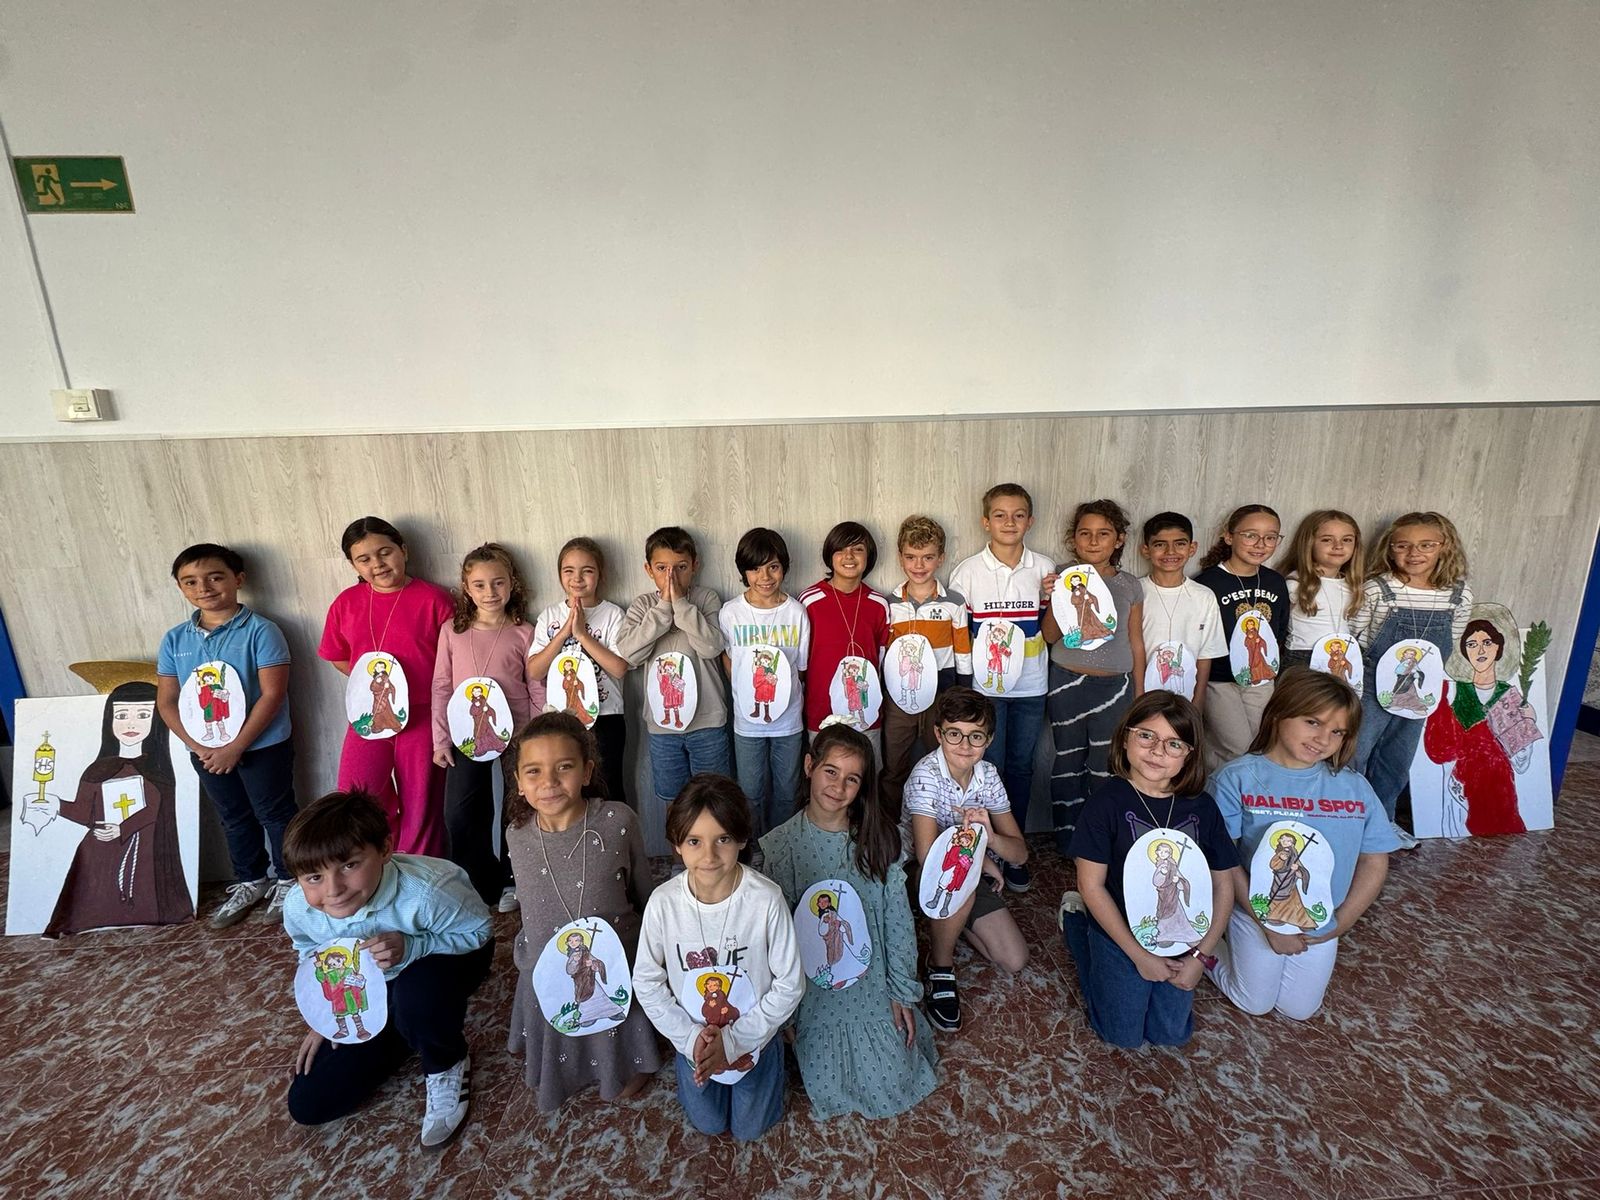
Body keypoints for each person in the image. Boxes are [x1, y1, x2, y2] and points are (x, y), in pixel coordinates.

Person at [282, 790, 494, 1148]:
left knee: (418, 994)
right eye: (314, 877)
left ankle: (446, 1061)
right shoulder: (298, 908)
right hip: (367, 990)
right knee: (308, 1103)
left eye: (349, 865)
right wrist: (327, 1016)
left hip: (445, 961)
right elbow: (309, 951)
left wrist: (414, 945)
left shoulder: (428, 891)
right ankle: (407, 1030)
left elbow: (480, 931)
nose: (333, 890)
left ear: (384, 848)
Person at [761, 724, 939, 1118]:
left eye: (852, 778)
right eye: (831, 771)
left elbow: (897, 924)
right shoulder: (779, 848)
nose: (838, 786)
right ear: (809, 766)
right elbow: (776, 940)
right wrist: (785, 1012)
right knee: (824, 1081)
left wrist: (901, 992)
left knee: (894, 1074)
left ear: (863, 787)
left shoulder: (877, 842)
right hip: (813, 984)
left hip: (871, 976)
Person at [1206, 671, 1399, 1020]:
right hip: (1253, 908)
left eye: (1337, 731)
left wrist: (1341, 923)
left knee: (1299, 1009)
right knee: (1255, 1001)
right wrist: (1266, 925)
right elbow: (1226, 860)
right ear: (1280, 713)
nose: (1323, 738)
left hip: (1320, 919)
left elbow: (1374, 860)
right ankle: (1208, 950)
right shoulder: (1236, 779)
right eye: (1312, 721)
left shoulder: (1354, 789)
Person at [1058, 692, 1237, 1047]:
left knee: (1171, 1034)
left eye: (1174, 744)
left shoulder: (1202, 807)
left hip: (1181, 937)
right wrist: (1139, 956)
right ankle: (1077, 926)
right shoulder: (1105, 803)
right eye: (1146, 736)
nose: (1157, 751)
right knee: (1122, 1035)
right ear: (1125, 738)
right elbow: (1091, 884)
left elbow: (1223, 886)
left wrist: (1201, 956)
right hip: (1118, 930)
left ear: (1189, 755)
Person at [503, 712, 660, 1110]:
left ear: (587, 771)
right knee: (553, 978)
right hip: (547, 959)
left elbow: (643, 891)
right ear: (519, 783)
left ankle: (629, 1059)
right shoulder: (517, 835)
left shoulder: (618, 821)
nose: (549, 782)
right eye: (534, 772)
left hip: (613, 953)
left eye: (565, 767)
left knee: (608, 991)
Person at [635, 775, 805, 1141]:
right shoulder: (663, 904)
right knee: (709, 1124)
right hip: (693, 1041)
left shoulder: (765, 900)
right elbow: (646, 981)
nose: (709, 856)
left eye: (723, 839)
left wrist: (736, 1041)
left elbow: (790, 983)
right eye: (695, 841)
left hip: (754, 1036)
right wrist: (691, 1039)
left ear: (742, 839)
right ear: (677, 844)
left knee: (751, 1128)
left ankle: (773, 1058)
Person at [156, 542, 299, 927]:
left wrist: (236, 747)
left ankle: (290, 881)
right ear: (181, 588)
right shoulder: (175, 640)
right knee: (232, 816)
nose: (204, 587)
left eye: (215, 577)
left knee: (275, 813)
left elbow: (273, 694)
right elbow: (167, 700)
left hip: (262, 746)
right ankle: (250, 880)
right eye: (190, 582)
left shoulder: (262, 631)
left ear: (238, 579)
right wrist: (200, 746)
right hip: (205, 750)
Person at [319, 517, 455, 855]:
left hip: (424, 715)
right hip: (369, 713)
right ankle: (377, 863)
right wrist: (371, 682)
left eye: (385, 553)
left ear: (403, 550)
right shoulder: (346, 603)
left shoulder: (435, 600)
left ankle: (420, 875)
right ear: (353, 564)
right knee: (357, 792)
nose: (377, 564)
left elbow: (453, 660)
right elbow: (336, 655)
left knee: (422, 800)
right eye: (364, 559)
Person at [901, 687, 1029, 1031]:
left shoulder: (988, 775)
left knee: (1014, 958)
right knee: (960, 881)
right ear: (939, 733)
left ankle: (949, 924)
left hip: (966, 867)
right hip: (919, 871)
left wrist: (988, 835)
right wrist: (983, 861)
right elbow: (930, 857)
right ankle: (939, 965)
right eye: (954, 734)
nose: (965, 746)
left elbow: (1019, 853)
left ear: (989, 740)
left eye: (976, 737)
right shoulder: (926, 775)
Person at [948, 484, 1052, 892]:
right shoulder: (967, 572)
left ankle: (1014, 849)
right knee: (985, 772)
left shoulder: (1045, 569)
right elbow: (962, 634)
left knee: (1021, 769)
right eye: (1000, 514)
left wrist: (1054, 599)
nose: (1010, 522)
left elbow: (1054, 632)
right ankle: (982, 848)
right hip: (984, 692)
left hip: (1030, 687)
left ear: (1031, 520)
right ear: (985, 521)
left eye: (1019, 514)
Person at [1350, 511, 1473, 846]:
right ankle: (1350, 817)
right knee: (1356, 751)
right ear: (1390, 549)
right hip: (1373, 686)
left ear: (1443, 546)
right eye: (1402, 546)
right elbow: (1357, 636)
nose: (1413, 553)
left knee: (1397, 757)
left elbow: (1452, 644)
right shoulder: (1379, 590)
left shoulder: (1458, 596)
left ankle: (1384, 819)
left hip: (1420, 691)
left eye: (1426, 545)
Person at [430, 543, 536, 906]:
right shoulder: (452, 632)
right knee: (460, 810)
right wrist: (440, 740)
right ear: (466, 586)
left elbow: (535, 683)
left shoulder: (524, 630)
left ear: (512, 584)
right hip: (464, 734)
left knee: (517, 807)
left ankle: (513, 880)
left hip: (519, 732)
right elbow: (442, 686)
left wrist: (537, 734)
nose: (490, 593)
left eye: (498, 583)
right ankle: (476, 880)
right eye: (480, 585)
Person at [44, 681, 193, 937]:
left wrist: (122, 828)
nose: (131, 724)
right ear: (109, 720)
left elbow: (154, 810)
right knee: (97, 890)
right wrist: (55, 805)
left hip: (145, 849)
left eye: (143, 715)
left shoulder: (158, 770)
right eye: (122, 715)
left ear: (156, 720)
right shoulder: (97, 769)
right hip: (101, 851)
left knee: (141, 891)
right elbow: (83, 812)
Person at [1042, 500, 1146, 849]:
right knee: (1068, 759)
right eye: (1085, 533)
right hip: (1067, 681)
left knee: (1106, 764)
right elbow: (1051, 636)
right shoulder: (1061, 576)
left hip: (1116, 687)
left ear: (1119, 540)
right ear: (1074, 539)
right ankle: (1067, 840)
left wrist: (1140, 695)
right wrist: (1056, 595)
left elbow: (1135, 640)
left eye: (1103, 534)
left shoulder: (1129, 584)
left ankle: (1100, 839)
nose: (1093, 541)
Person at [615, 527, 730, 839]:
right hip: (664, 727)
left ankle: (718, 860)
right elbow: (630, 654)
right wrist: (663, 609)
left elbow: (711, 647)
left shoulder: (705, 599)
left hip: (707, 722)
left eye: (680, 567)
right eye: (662, 568)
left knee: (715, 799)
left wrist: (681, 605)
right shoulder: (642, 607)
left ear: (694, 566)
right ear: (648, 570)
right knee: (674, 801)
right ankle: (680, 865)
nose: (671, 577)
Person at [527, 537, 632, 815]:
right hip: (563, 720)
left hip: (607, 717)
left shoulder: (613, 615)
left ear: (600, 574)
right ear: (560, 574)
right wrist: (564, 633)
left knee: (609, 786)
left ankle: (618, 852)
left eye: (587, 570)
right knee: (571, 789)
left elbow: (620, 668)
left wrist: (583, 634)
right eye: (569, 570)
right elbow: (535, 671)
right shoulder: (549, 615)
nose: (577, 578)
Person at [718, 527, 811, 841]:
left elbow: (800, 669)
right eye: (755, 568)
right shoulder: (731, 613)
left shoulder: (796, 613)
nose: (765, 576)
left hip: (788, 721)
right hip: (747, 721)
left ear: (784, 566)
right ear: (744, 572)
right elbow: (728, 659)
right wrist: (745, 691)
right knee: (750, 792)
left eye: (773, 566)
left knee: (787, 791)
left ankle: (781, 847)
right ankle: (752, 848)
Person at [881, 516, 973, 815]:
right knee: (895, 766)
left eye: (927, 557)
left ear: (940, 558)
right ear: (900, 557)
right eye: (911, 557)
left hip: (942, 697)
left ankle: (940, 828)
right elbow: (883, 653)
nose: (918, 565)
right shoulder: (890, 604)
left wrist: (963, 694)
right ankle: (893, 830)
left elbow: (963, 650)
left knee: (942, 764)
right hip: (898, 699)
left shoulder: (954, 603)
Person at [1195, 505, 1290, 771]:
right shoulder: (1209, 582)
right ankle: (1215, 803)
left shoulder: (1274, 582)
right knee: (1234, 748)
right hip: (1219, 679)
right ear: (1229, 537)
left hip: (1260, 676)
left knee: (1261, 745)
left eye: (1270, 537)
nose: (1261, 544)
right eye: (1250, 535)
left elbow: (1280, 627)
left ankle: (1241, 802)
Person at [1423, 615, 1537, 837]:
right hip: (1462, 792)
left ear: (1498, 647)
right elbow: (1438, 751)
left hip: (1501, 793)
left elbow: (1522, 762)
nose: (1480, 650)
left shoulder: (1510, 696)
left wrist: (1528, 722)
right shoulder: (1453, 692)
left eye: (1487, 643)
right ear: (1464, 652)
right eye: (1472, 644)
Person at [800, 522, 893, 753]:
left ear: (869, 556)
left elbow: (882, 662)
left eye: (858, 549)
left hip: (867, 711)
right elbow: (800, 663)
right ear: (829, 556)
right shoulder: (808, 601)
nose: (849, 556)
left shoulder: (879, 604)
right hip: (822, 712)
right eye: (841, 549)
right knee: (824, 779)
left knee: (868, 777)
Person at [1136, 513, 1226, 715]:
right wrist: (1137, 693)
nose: (1170, 551)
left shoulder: (1204, 596)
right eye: (1159, 544)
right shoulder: (1136, 592)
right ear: (1145, 550)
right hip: (1142, 694)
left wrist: (1199, 697)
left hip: (1185, 696)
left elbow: (1205, 654)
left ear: (1192, 548)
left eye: (1180, 544)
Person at [1279, 510, 1365, 678]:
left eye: (1346, 540)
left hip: (1341, 657)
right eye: (1327, 540)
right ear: (1309, 543)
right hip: (1302, 659)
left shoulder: (1353, 585)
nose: (1338, 546)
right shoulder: (1295, 584)